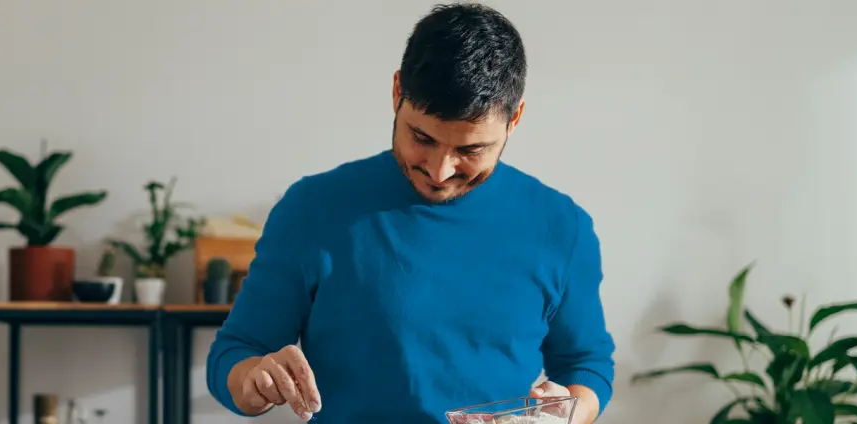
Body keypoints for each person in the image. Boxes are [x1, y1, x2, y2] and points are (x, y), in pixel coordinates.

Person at [204, 3, 616, 423]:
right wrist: (255, 379)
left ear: (515, 119)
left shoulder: (562, 227)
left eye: (470, 150)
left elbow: (587, 365)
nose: (439, 171)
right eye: (422, 137)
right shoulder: (312, 208)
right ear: (397, 92)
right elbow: (235, 353)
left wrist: (568, 411)